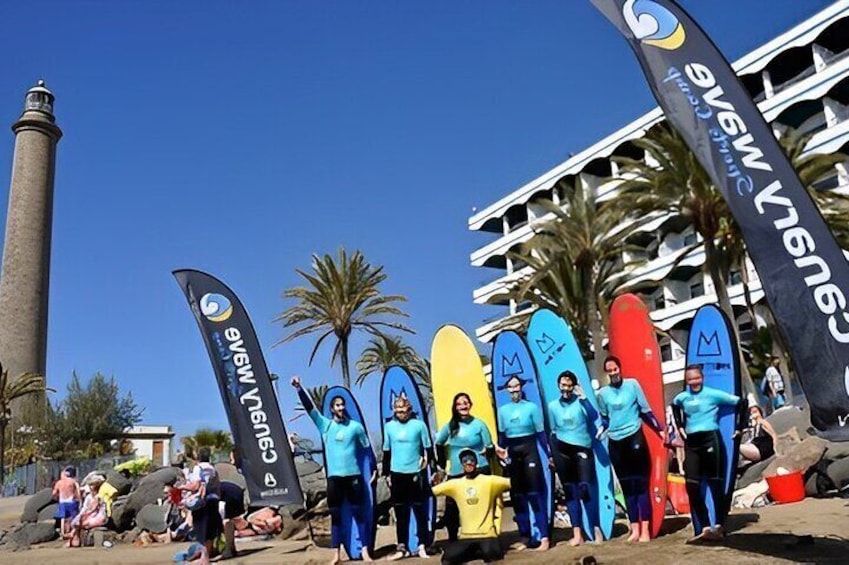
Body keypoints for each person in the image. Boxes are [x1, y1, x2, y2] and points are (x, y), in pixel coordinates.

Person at [291, 376, 373, 564]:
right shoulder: (325, 426)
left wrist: (373, 470)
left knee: (359, 515)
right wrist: (299, 388)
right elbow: (310, 409)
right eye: (337, 405)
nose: (341, 408)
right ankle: (336, 554)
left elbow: (367, 450)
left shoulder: (356, 427)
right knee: (336, 517)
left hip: (353, 477)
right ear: (332, 408)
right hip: (334, 479)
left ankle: (365, 551)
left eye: (342, 405)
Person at [671, 364, 745, 542]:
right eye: (690, 379)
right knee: (692, 485)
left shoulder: (713, 394)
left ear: (702, 378)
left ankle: (719, 525)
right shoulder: (682, 397)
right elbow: (674, 407)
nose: (694, 382)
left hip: (711, 439)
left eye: (697, 378)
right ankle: (705, 526)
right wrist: (680, 427)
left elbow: (742, 403)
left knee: (715, 485)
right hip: (692, 443)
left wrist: (740, 428)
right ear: (686, 381)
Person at [596, 355, 664, 543]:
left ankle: (644, 530)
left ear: (620, 368)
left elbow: (646, 411)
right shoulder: (602, 394)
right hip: (616, 442)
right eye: (609, 371)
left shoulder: (633, 385)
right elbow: (604, 418)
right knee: (627, 488)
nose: (613, 373)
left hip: (634, 437)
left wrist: (660, 430)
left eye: (615, 369)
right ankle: (634, 528)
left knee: (641, 485)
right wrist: (601, 428)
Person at [494, 375, 550, 551]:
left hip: (530, 452)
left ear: (521, 387)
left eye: (516, 386)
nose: (514, 390)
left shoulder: (532, 408)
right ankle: (525, 536)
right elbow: (502, 438)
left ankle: (544, 537)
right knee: (518, 497)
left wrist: (549, 455)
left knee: (534, 495)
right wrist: (500, 453)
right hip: (514, 455)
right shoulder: (503, 411)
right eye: (510, 387)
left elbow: (541, 435)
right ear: (507, 390)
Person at [434, 392, 495, 542]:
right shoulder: (450, 427)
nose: (463, 406)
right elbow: (438, 443)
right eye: (459, 404)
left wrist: (487, 455)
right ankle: (453, 539)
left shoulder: (479, 424)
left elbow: (490, 446)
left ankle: (485, 538)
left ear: (470, 405)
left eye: (466, 403)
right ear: (455, 407)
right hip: (456, 472)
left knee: (480, 507)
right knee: (452, 509)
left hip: (479, 469)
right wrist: (442, 465)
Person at [431, 449, 511, 565]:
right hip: (466, 537)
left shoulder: (489, 481)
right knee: (447, 558)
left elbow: (513, 482)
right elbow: (430, 492)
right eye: (465, 461)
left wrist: (506, 461)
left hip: (487, 535)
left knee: (492, 555)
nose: (469, 463)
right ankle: (475, 552)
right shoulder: (456, 484)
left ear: (476, 463)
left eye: (471, 460)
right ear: (461, 465)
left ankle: (479, 551)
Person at [547, 370, 596, 546]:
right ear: (558, 385)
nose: (565, 389)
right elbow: (552, 431)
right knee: (570, 492)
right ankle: (577, 534)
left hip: (582, 447)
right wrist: (552, 454)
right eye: (563, 385)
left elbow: (594, 417)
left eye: (569, 385)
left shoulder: (581, 402)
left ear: (573, 386)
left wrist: (583, 398)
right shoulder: (553, 406)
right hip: (561, 450)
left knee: (585, 489)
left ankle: (595, 529)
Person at [382, 395, 433, 560]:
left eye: (404, 411)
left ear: (409, 410)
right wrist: (386, 474)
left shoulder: (419, 425)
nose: (401, 413)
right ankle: (401, 547)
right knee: (401, 513)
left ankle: (422, 545)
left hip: (415, 473)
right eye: (398, 411)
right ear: (394, 411)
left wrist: (428, 462)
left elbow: (428, 447)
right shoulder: (389, 427)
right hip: (397, 474)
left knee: (420, 511)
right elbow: (386, 452)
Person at [178, 446, 223, 565]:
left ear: (198, 457)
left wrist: (181, 487)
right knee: (210, 530)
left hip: (202, 503)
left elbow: (196, 485)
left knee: (200, 529)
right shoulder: (213, 469)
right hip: (213, 501)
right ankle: (205, 556)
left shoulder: (198, 468)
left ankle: (204, 559)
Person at [68, 477, 107, 547]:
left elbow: (94, 509)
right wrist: (80, 515)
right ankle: (74, 537)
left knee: (81, 523)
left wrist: (84, 516)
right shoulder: (88, 497)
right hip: (90, 514)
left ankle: (73, 537)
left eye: (92, 486)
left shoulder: (99, 497)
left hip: (99, 516)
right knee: (75, 522)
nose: (91, 488)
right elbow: (85, 508)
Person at [219, 480, 246, 559]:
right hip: (235, 491)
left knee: (227, 522)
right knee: (228, 521)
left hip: (231, 495)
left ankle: (229, 550)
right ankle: (231, 548)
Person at [52, 466, 81, 539]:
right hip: (71, 501)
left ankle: (63, 533)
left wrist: (57, 497)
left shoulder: (59, 483)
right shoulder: (72, 481)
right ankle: (72, 532)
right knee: (73, 517)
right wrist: (78, 499)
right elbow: (78, 491)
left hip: (62, 501)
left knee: (62, 518)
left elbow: (54, 493)